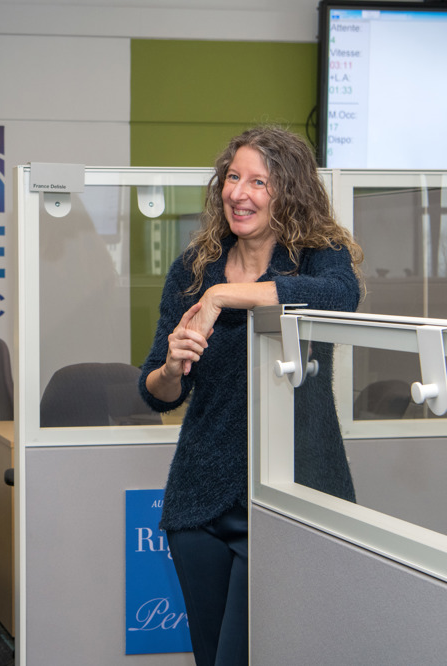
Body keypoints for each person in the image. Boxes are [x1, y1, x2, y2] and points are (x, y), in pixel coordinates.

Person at [138, 126, 362, 666]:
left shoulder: (316, 258)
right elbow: (157, 393)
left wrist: (223, 296)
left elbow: (341, 296)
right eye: (233, 177)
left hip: (288, 494)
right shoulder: (194, 269)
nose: (239, 193)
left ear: (289, 192)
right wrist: (172, 366)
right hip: (200, 500)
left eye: (258, 182)